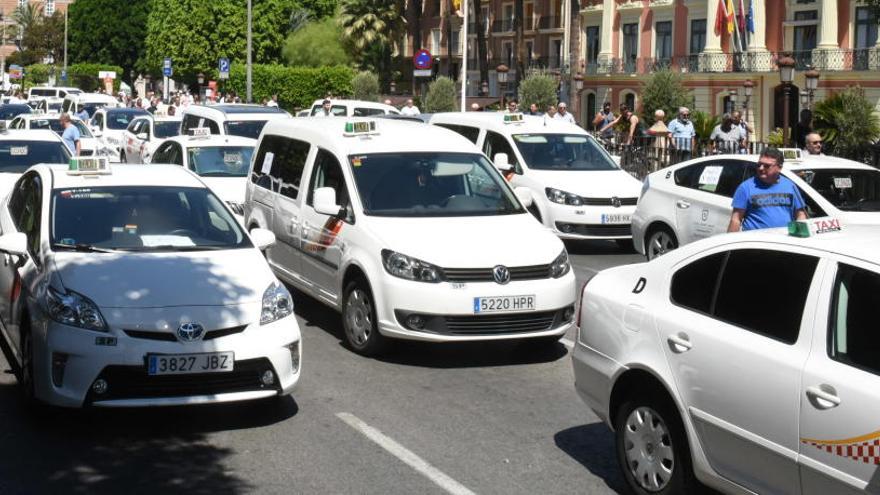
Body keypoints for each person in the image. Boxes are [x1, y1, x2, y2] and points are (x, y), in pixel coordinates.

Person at [727, 148, 807, 232]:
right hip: (757, 242)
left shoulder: (790, 186)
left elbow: (800, 214)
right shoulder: (745, 188)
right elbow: (736, 220)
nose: (761, 168)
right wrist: (729, 242)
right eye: (759, 164)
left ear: (779, 168)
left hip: (785, 241)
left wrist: (799, 236)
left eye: (767, 166)